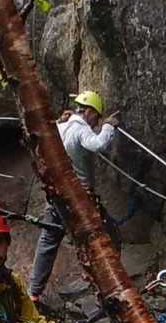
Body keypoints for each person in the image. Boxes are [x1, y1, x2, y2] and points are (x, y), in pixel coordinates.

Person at [28, 90, 122, 302]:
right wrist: (109, 126)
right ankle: (107, 286)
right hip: (81, 198)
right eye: (96, 118)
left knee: (48, 241)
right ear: (89, 112)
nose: (95, 123)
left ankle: (33, 292)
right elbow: (98, 144)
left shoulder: (59, 127)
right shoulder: (80, 130)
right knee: (109, 237)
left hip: (57, 195)